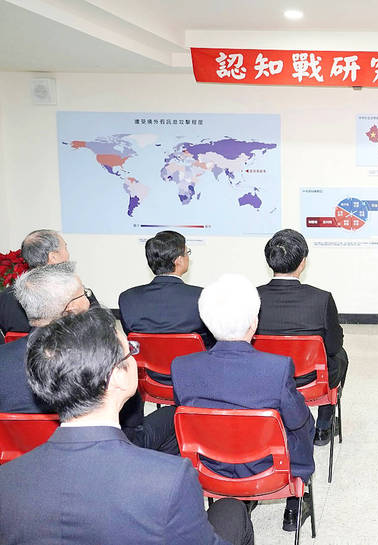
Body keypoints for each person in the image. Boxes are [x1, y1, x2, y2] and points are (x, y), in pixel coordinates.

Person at [0, 307, 253, 545]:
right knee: (232, 510)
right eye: (130, 351)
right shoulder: (170, 479)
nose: (134, 356)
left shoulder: (7, 480)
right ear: (117, 377)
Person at [172, 273, 315, 533]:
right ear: (254, 322)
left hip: (209, 469)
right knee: (304, 417)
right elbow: (296, 420)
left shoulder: (181, 367)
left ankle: (239, 500)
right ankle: (297, 494)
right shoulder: (277, 368)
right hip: (269, 470)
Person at [1, 262, 178, 455]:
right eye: (84, 293)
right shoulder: (103, 359)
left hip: (25, 457)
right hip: (108, 452)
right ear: (71, 308)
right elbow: (131, 423)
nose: (88, 298)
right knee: (172, 416)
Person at [256, 228, 349, 446]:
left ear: (270, 261)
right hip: (309, 380)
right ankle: (324, 426)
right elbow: (333, 345)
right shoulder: (321, 299)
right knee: (340, 356)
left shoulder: (252, 296)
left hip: (265, 378)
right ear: (303, 262)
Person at [118, 230, 215, 383]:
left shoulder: (128, 298)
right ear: (178, 260)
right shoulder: (202, 297)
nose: (188, 257)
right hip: (195, 380)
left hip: (150, 380)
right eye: (187, 252)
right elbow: (212, 341)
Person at [0, 229, 94, 336]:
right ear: (53, 257)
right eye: (65, 248)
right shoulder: (75, 295)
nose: (68, 254)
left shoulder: (4, 298)